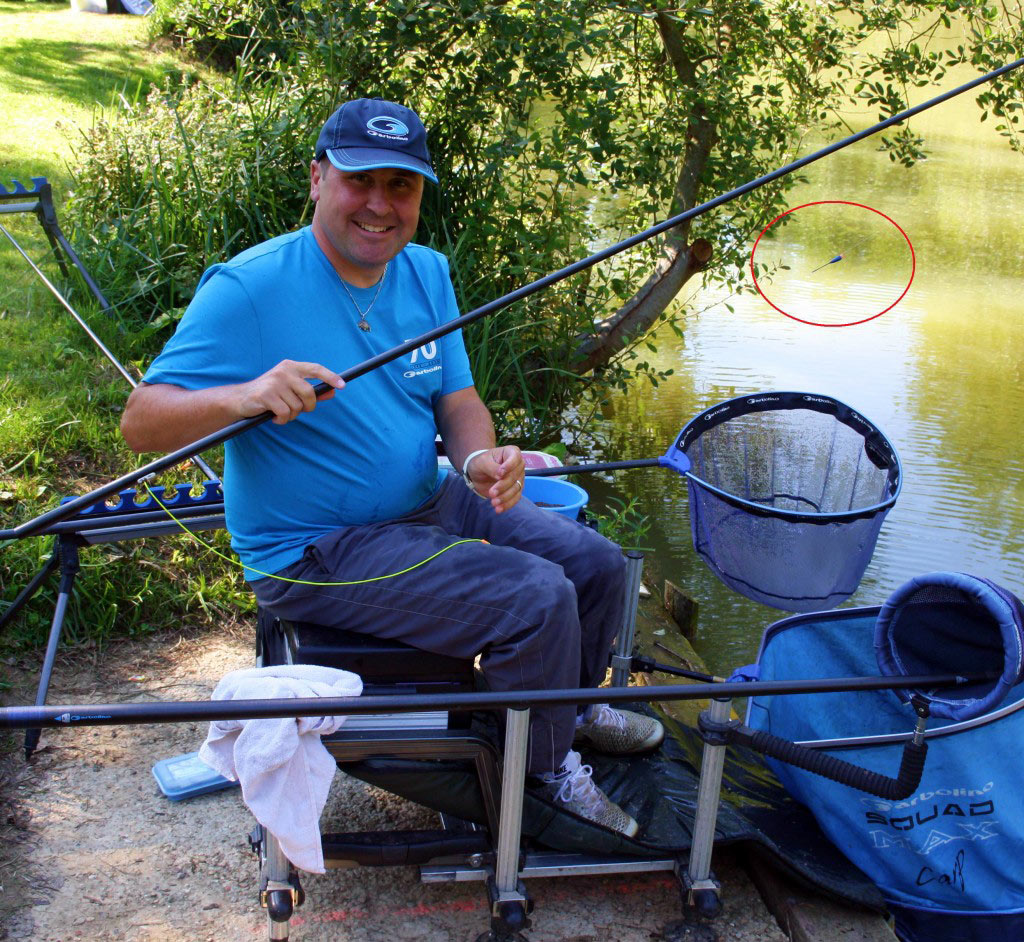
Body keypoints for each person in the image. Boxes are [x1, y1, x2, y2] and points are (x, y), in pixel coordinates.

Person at [120, 98, 663, 837]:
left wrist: (478, 457)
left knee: (595, 563)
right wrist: (244, 394)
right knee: (535, 596)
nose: (379, 205)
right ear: (318, 179)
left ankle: (566, 708)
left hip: (427, 500)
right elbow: (141, 422)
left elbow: (458, 395)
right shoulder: (250, 287)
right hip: (317, 546)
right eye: (359, 180)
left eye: (400, 186)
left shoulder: (427, 274)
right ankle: (539, 777)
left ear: (418, 195)